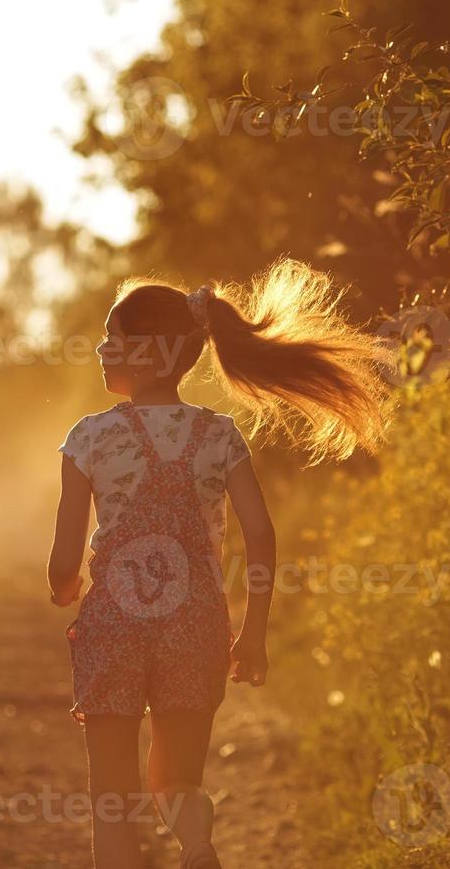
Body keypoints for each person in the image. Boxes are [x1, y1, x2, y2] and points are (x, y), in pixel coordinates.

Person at [47, 259, 388, 868]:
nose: (101, 350)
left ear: (151, 354)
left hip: (115, 630)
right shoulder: (220, 436)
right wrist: (252, 631)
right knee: (177, 781)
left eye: (113, 339)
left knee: (114, 797)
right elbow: (260, 536)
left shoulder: (90, 438)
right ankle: (197, 845)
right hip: (196, 626)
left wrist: (66, 584)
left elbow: (65, 554)